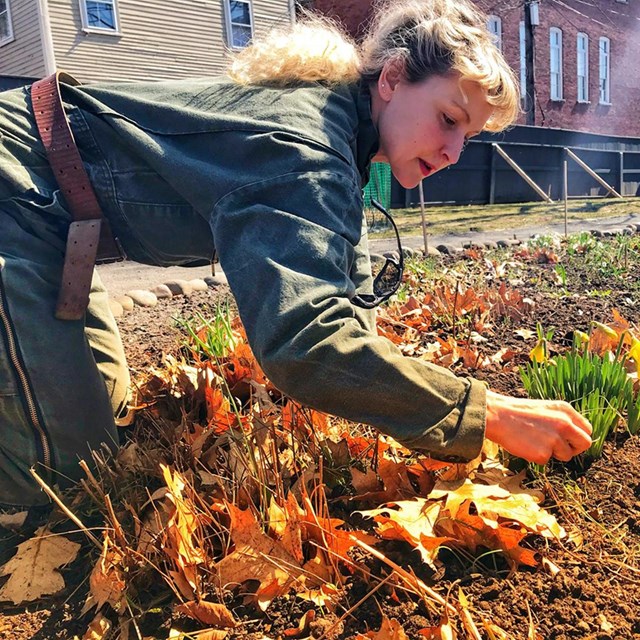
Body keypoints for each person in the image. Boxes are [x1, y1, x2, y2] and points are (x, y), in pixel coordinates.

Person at [0, 0, 592, 508]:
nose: (455, 152)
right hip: (18, 194)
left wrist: (399, 397)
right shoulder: (306, 149)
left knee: (106, 427)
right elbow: (302, 340)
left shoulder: (341, 134)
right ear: (392, 78)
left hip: (61, 225)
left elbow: (347, 295)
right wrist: (484, 412)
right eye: (448, 120)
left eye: (470, 136)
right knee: (58, 480)